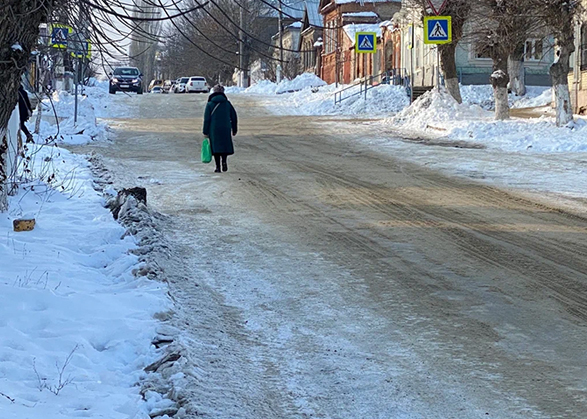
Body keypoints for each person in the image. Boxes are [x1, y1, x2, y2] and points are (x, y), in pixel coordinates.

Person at [203, 85, 238, 173]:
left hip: (214, 129)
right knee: (224, 146)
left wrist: (205, 131)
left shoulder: (210, 104)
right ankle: (224, 162)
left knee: (216, 147)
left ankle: (218, 167)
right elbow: (234, 116)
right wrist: (234, 129)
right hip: (226, 128)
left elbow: (207, 119)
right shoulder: (227, 103)